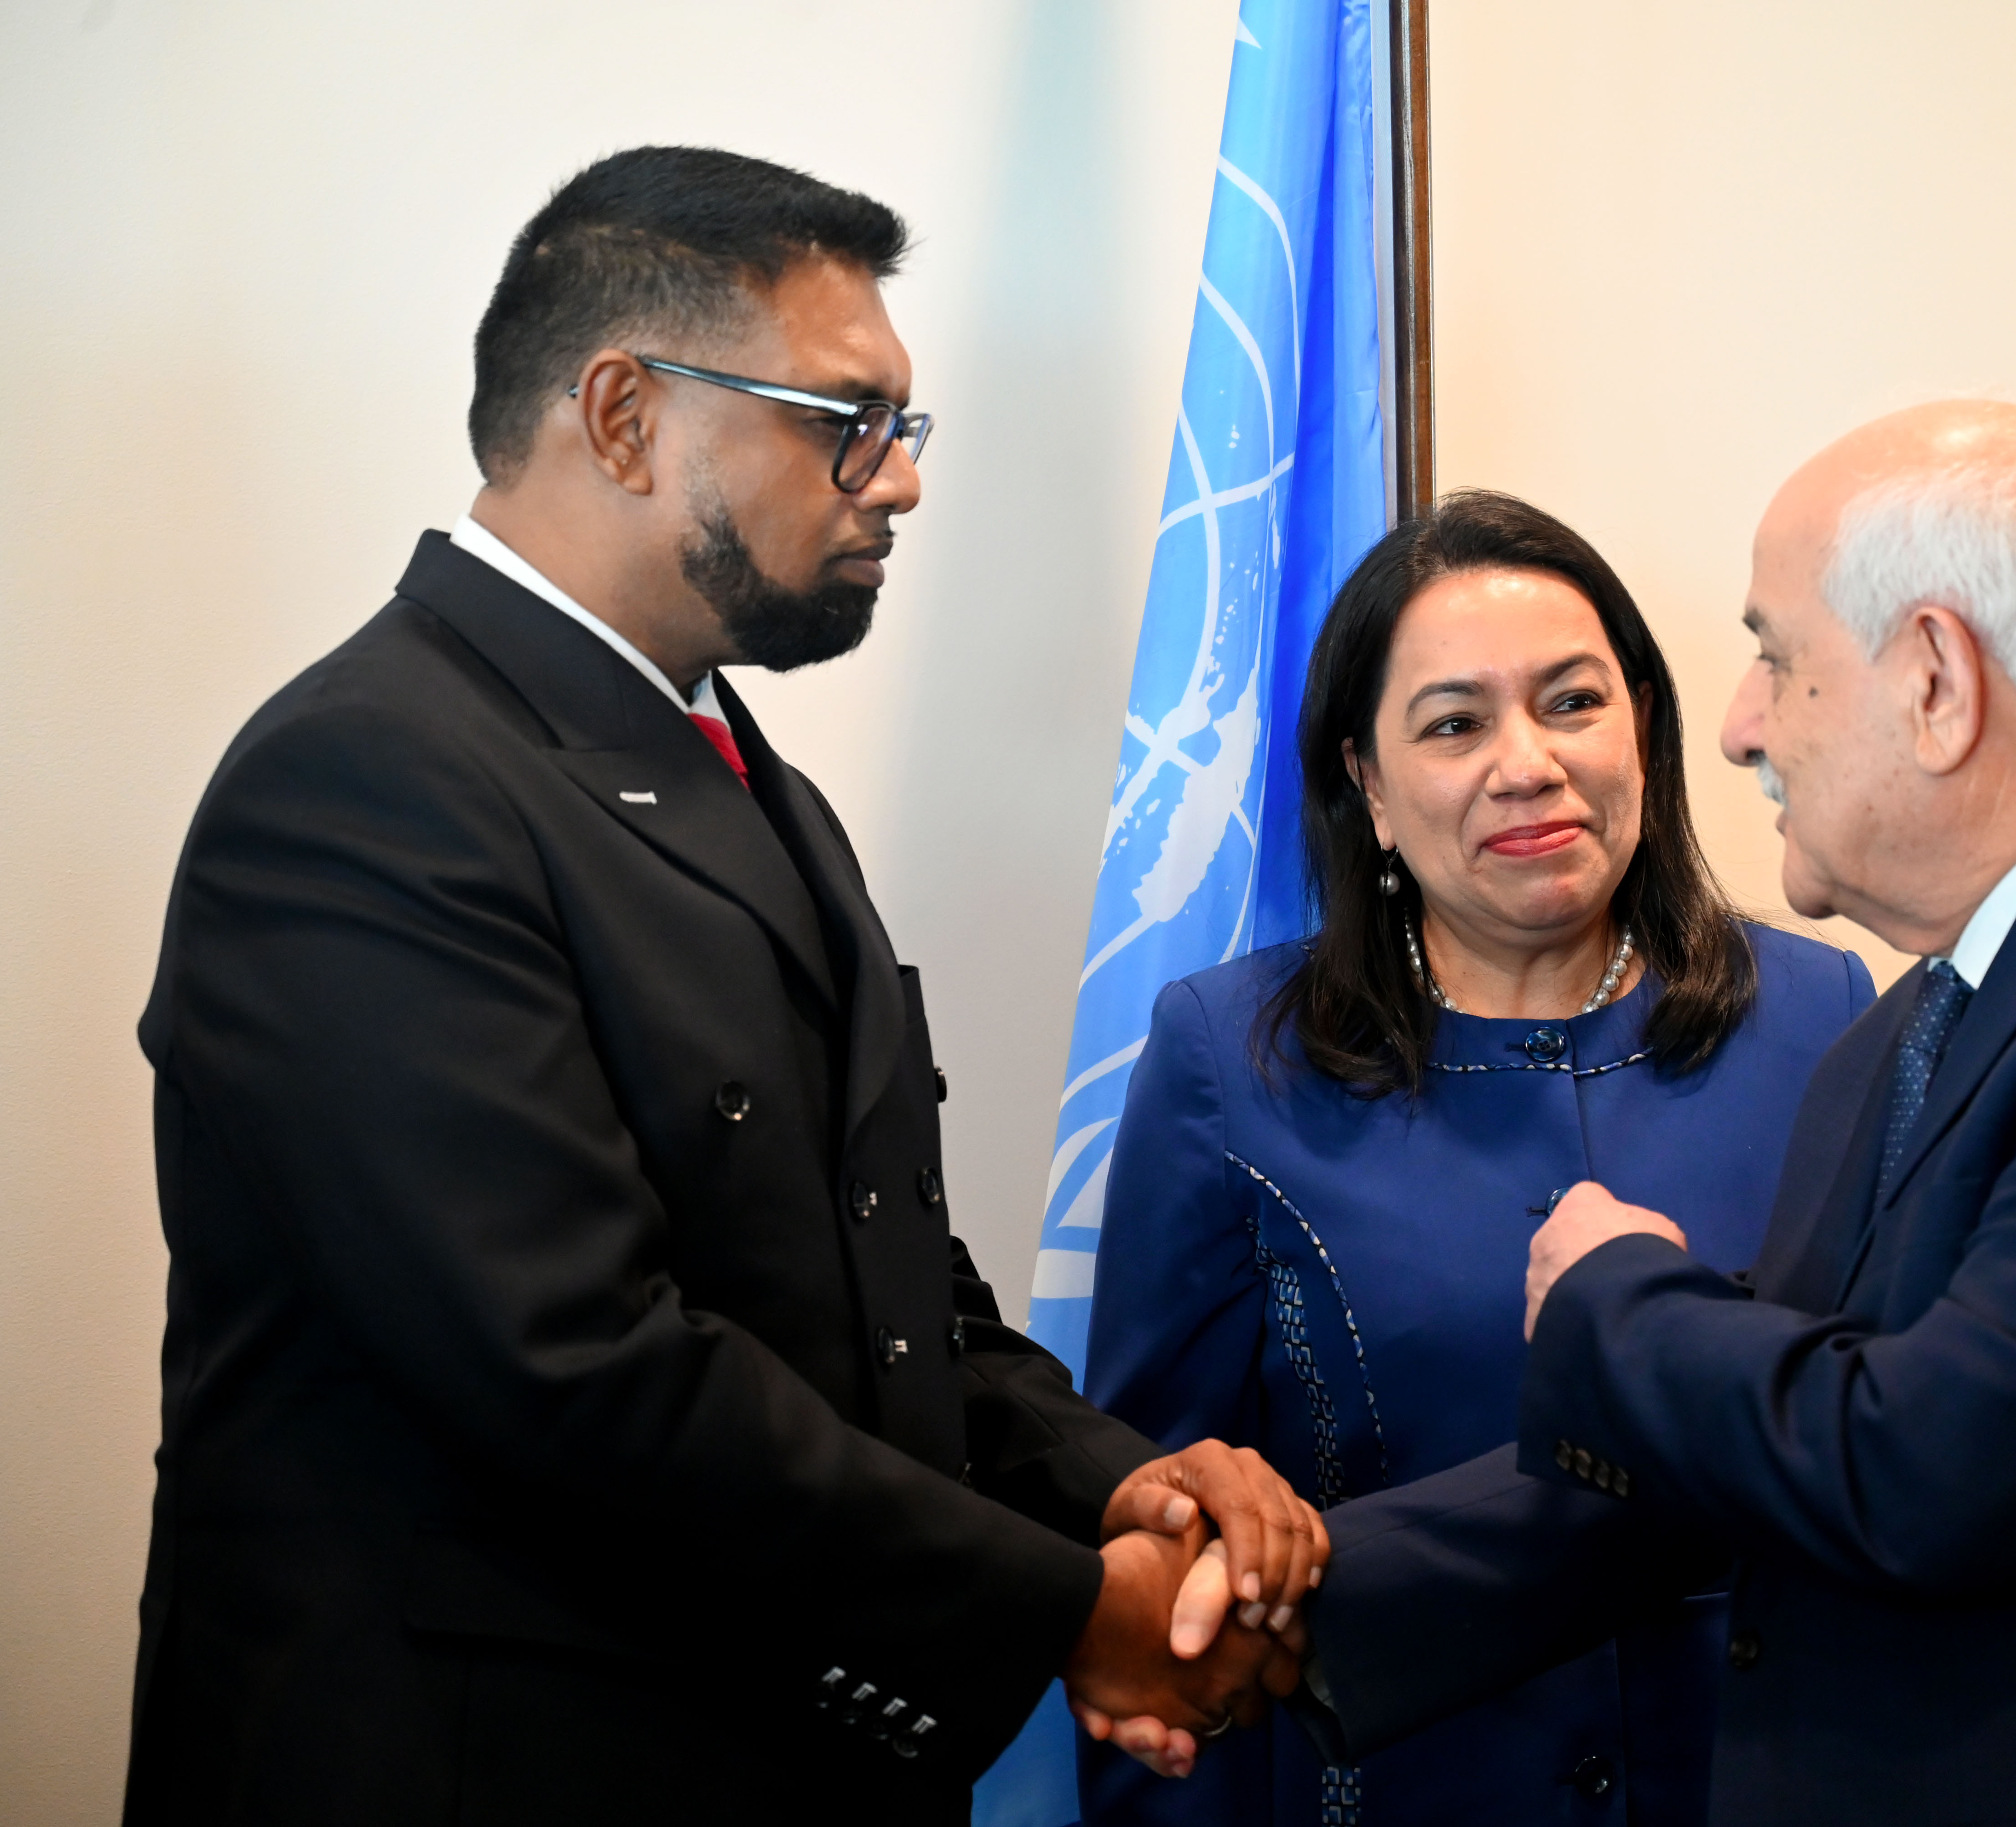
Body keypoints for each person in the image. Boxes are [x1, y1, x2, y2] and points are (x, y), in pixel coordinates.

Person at [122, 146, 1323, 1827]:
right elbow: (577, 1368)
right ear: (624, 417)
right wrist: (1073, 1614)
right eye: (845, 419)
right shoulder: (364, 783)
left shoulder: (737, 776)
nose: (894, 481)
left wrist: (1122, 1490)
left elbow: (882, 1292)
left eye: (904, 427)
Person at [1281, 402, 2016, 1825]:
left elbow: (1924, 1465)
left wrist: (1614, 1290)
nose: (1736, 727)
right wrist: (1292, 1601)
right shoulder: (1920, 1024)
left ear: (1935, 682)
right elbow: (1764, 1434)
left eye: (1776, 660)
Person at [1077, 491, 1876, 1826]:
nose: (1528, 763)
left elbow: (1875, 1450)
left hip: (1759, 1780)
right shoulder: (1231, 1058)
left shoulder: (1824, 1012)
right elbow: (1166, 1546)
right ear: (1368, 787)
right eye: (1455, 724)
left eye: (1573, 703)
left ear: (1644, 731)